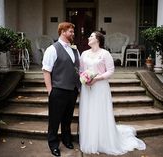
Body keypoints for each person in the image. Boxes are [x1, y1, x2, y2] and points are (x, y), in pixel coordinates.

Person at [79, 31, 146, 155]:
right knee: (88, 112)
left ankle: (103, 141)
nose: (89, 38)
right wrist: (85, 79)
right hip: (87, 88)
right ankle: (90, 139)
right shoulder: (84, 54)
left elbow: (110, 71)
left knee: (100, 112)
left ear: (98, 40)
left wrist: (96, 79)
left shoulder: (105, 54)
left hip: (100, 87)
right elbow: (81, 70)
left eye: (91, 36)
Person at [42, 22, 80, 156]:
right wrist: (50, 91)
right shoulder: (52, 49)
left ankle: (66, 139)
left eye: (73, 31)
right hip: (58, 90)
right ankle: (53, 144)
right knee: (54, 120)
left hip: (73, 89)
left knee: (67, 118)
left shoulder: (75, 49)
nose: (73, 34)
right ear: (62, 32)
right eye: (70, 31)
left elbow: (77, 69)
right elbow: (46, 71)